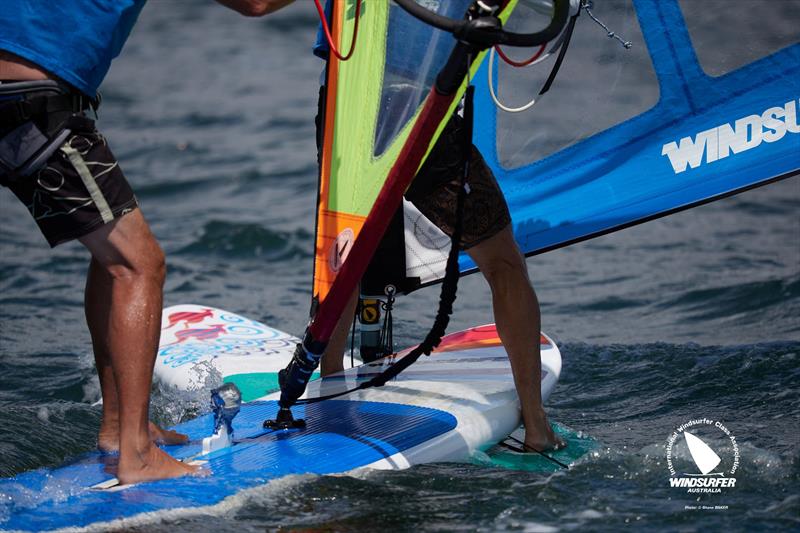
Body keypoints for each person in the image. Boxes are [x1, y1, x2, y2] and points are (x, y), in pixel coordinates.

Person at [0, 0, 289, 485]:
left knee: (110, 256)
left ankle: (119, 429)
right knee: (139, 264)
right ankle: (137, 455)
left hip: (22, 98)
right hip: (32, 101)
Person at [268, 0, 564, 452]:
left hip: (346, 111)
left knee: (342, 252)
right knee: (504, 263)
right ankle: (538, 429)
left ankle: (326, 392)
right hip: (419, 106)